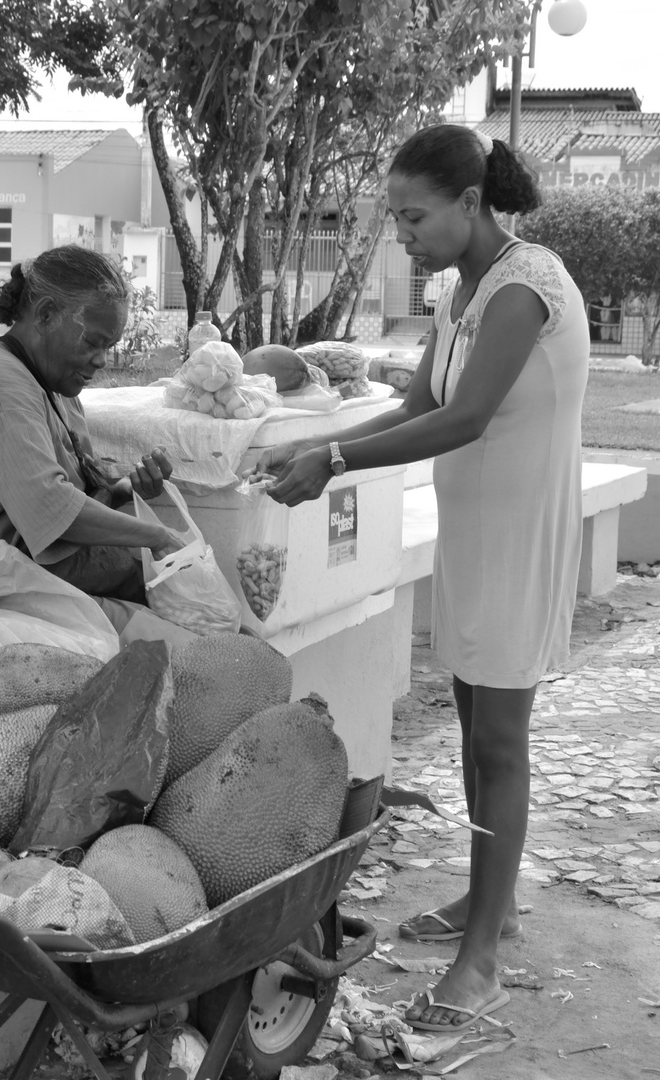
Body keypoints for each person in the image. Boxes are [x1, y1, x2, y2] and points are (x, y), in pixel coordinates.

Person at [260, 124, 588, 1033]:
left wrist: (332, 460)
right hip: (473, 534)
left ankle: (481, 953)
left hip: (519, 536)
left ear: (470, 204)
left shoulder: (526, 285)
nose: (402, 235)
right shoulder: (463, 292)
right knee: (476, 720)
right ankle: (496, 903)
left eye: (413, 217)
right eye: (396, 218)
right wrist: (312, 440)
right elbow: (417, 404)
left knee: (498, 743)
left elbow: (468, 418)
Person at [0, 245, 179, 605]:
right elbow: (50, 507)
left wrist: (122, 490)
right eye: (93, 342)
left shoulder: (57, 383)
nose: (102, 360)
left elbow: (72, 493)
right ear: (45, 315)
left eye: (110, 346)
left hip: (42, 582)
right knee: (185, 641)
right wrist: (157, 536)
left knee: (202, 628)